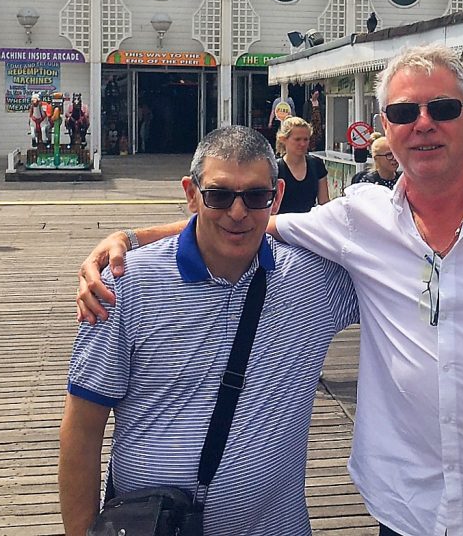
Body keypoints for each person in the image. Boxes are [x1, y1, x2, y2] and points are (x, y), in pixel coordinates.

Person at [78, 45, 463, 536]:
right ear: (385, 126)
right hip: (406, 512)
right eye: (404, 111)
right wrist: (131, 237)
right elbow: (244, 219)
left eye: (442, 108)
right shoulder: (359, 220)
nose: (423, 123)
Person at [59, 126, 359, 536]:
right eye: (218, 196)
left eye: (256, 196)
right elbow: (82, 425)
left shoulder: (313, 281)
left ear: (278, 198)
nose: (238, 212)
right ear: (191, 193)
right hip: (152, 525)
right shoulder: (125, 282)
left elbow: (406, 252)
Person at [275, 116, 329, 213]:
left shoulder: (317, 164)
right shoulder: (275, 168)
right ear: (284, 139)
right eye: (297, 139)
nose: (302, 144)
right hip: (282, 224)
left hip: (308, 224)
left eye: (306, 139)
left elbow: (324, 202)